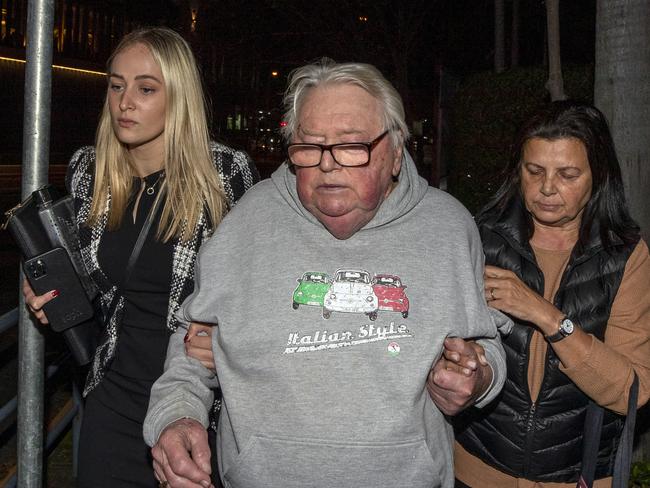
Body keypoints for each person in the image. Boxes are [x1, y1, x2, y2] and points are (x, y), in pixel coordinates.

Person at [143, 58, 508, 488]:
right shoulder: (250, 222)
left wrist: (477, 377)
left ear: (394, 152)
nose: (328, 165)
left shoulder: (448, 227)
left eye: (351, 146)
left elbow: (487, 347)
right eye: (310, 147)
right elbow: (193, 345)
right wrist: (177, 416)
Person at [22, 27, 259, 487]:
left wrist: (232, 335)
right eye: (116, 85)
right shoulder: (89, 171)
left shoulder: (226, 175)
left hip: (196, 407)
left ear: (180, 96)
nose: (125, 101)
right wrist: (51, 301)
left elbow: (254, 286)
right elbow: (89, 287)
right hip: (111, 400)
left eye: (146, 88)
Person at [451, 101, 650, 487]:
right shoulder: (481, 238)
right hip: (476, 470)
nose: (546, 188)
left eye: (568, 174)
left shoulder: (626, 257)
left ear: (598, 176)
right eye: (534, 170)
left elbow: (632, 389)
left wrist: (547, 316)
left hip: (579, 475)